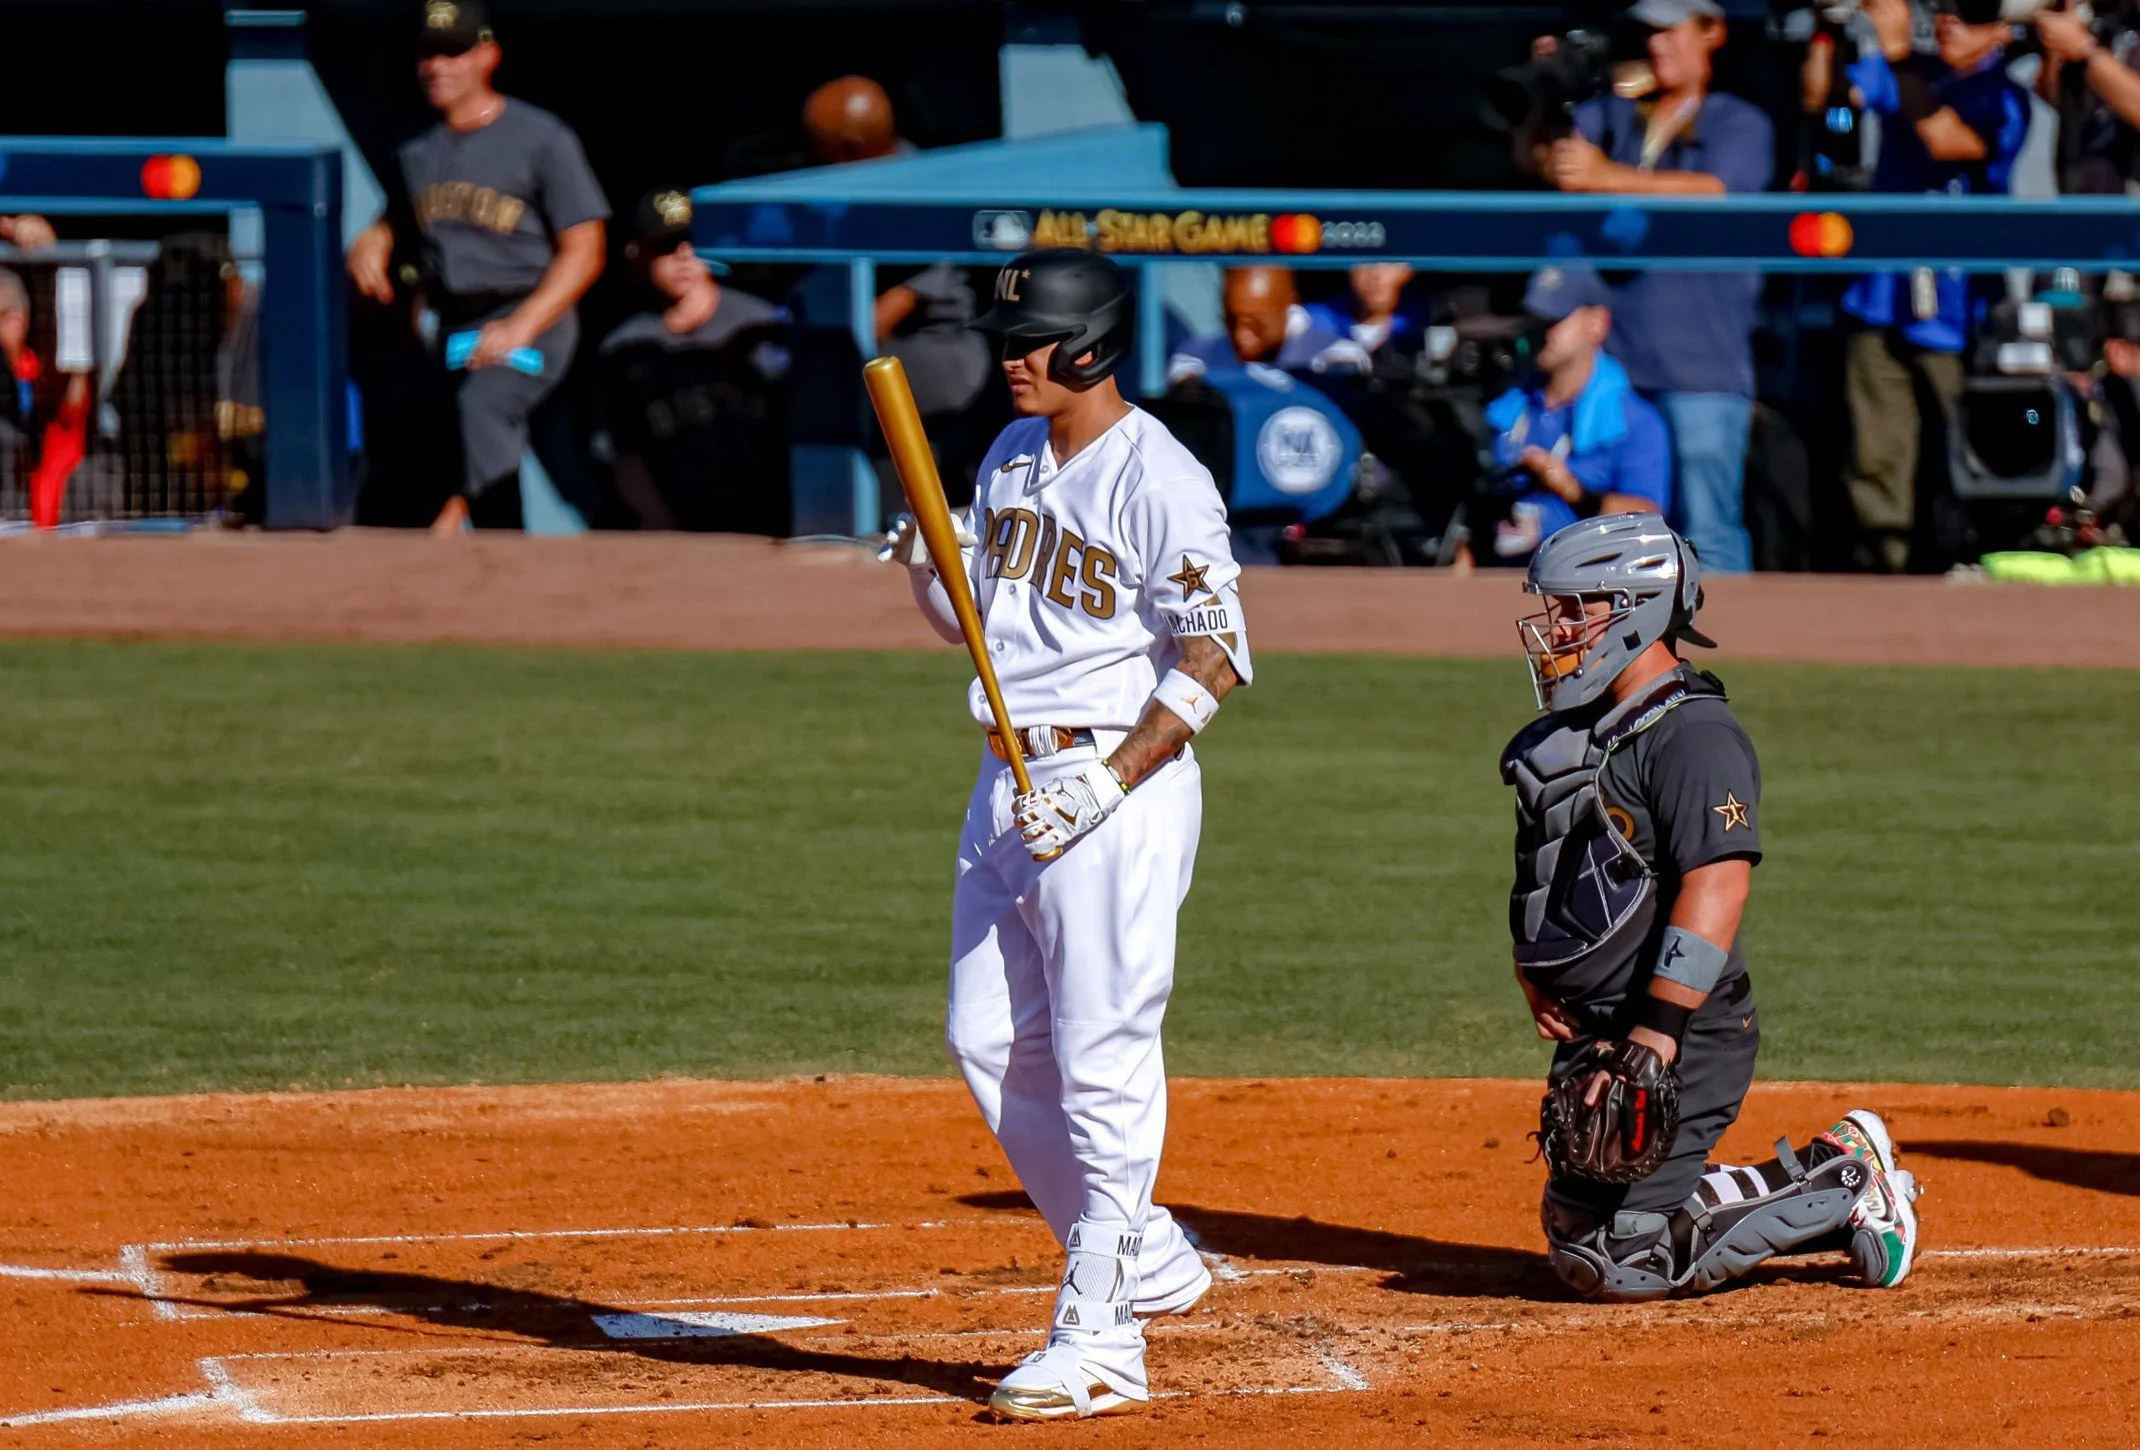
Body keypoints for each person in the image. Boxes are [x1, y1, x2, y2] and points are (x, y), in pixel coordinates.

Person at [881, 248, 1250, 1420]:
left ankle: (1102, 1340)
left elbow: (1215, 656)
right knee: (986, 1036)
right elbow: (976, 620)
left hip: (1112, 789)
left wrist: (1106, 784)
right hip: (1003, 778)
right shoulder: (1009, 454)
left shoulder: (1161, 477)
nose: (1012, 358)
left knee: (1101, 1055)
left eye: (1030, 339)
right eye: (1007, 338)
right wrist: (929, 557)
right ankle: (1146, 1250)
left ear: (1090, 343)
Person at [1501, 512, 1922, 1302]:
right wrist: (1536, 970)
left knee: (1622, 1260)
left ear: (1636, 611)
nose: (1557, 629)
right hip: (1603, 1031)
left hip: (1683, 1031)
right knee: (1576, 1228)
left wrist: (1657, 1033)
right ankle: (1714, 1194)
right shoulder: (1582, 735)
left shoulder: (1693, 735)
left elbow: (1718, 884)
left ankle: (1846, 1174)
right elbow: (1555, 867)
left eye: (1576, 609)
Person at [347, 0, 609, 533]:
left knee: (485, 404)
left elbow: (586, 248)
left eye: (453, 52)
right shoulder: (417, 148)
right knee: (425, 431)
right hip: (455, 324)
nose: (437, 66)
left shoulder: (542, 139)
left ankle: (501, 551)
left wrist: (521, 326)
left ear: (488, 55)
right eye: (428, 54)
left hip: (533, 316)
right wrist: (377, 235)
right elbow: (402, 213)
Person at [1541, 0, 1773, 575]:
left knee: (1707, 532)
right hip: (1615, 367)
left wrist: (1604, 176)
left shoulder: (1738, 121)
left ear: (1712, 32)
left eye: (1671, 31)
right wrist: (1548, 91)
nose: (1656, 45)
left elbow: (1718, 192)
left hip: (1701, 369)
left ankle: (1731, 635)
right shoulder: (1616, 114)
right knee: (1615, 537)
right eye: (1648, 33)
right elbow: (1547, 162)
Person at [1827, 0, 2029, 572]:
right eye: (1941, 8)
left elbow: (1949, 141)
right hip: (1881, 293)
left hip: (1959, 306)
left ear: (2002, 29)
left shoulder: (2004, 94)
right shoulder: (1913, 68)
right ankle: (1883, 567)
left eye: (1968, 12)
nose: (1947, 21)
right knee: (1875, 450)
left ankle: (1969, 560)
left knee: (1964, 445)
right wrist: (1828, 30)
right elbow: (1831, 101)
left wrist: (1896, 55)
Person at [801, 75, 992, 425]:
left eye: (817, 147)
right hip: (880, 362)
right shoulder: (857, 186)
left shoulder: (922, 196)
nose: (811, 158)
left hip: (938, 369)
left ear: (850, 149)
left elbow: (877, 318)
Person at [597, 189, 788, 533]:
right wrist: (661, 523)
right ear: (637, 253)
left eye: (695, 242)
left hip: (772, 524)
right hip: (682, 528)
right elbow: (626, 455)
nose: (685, 255)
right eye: (667, 245)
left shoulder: (763, 323)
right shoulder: (624, 348)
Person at [1482, 266, 1673, 563]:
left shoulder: (1634, 420)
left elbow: (1648, 520)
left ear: (1597, 323)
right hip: (1497, 574)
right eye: (1536, 319)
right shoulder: (1505, 408)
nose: (1541, 332)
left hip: (1587, 579)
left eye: (1554, 319)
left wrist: (1573, 492)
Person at [1165, 264, 1365, 384]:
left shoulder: (1336, 357)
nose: (1241, 335)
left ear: (1288, 306)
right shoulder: (1196, 357)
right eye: (1231, 320)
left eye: (1255, 324)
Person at [2034, 1, 2140, 195]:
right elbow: (2054, 97)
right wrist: (2061, 40)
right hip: (2083, 195)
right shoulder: (2112, 18)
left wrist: (2085, 50)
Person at [1302, 263, 1422, 361]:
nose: (1376, 275)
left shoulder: (1419, 326)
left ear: (1407, 272)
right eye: (1365, 262)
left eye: (1388, 263)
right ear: (1349, 270)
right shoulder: (1308, 322)